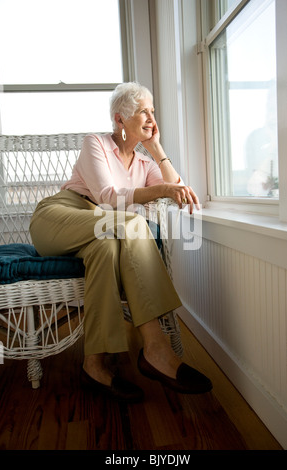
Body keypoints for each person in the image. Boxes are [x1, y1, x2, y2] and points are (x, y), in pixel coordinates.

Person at [29, 82, 212, 402]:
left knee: (107, 248)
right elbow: (107, 198)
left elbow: (179, 193)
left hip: (102, 233)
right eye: (143, 111)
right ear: (120, 119)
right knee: (134, 223)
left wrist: (156, 150)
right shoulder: (95, 144)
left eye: (153, 111)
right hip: (60, 216)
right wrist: (162, 191)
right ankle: (156, 347)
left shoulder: (145, 165)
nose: (151, 117)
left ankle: (94, 363)